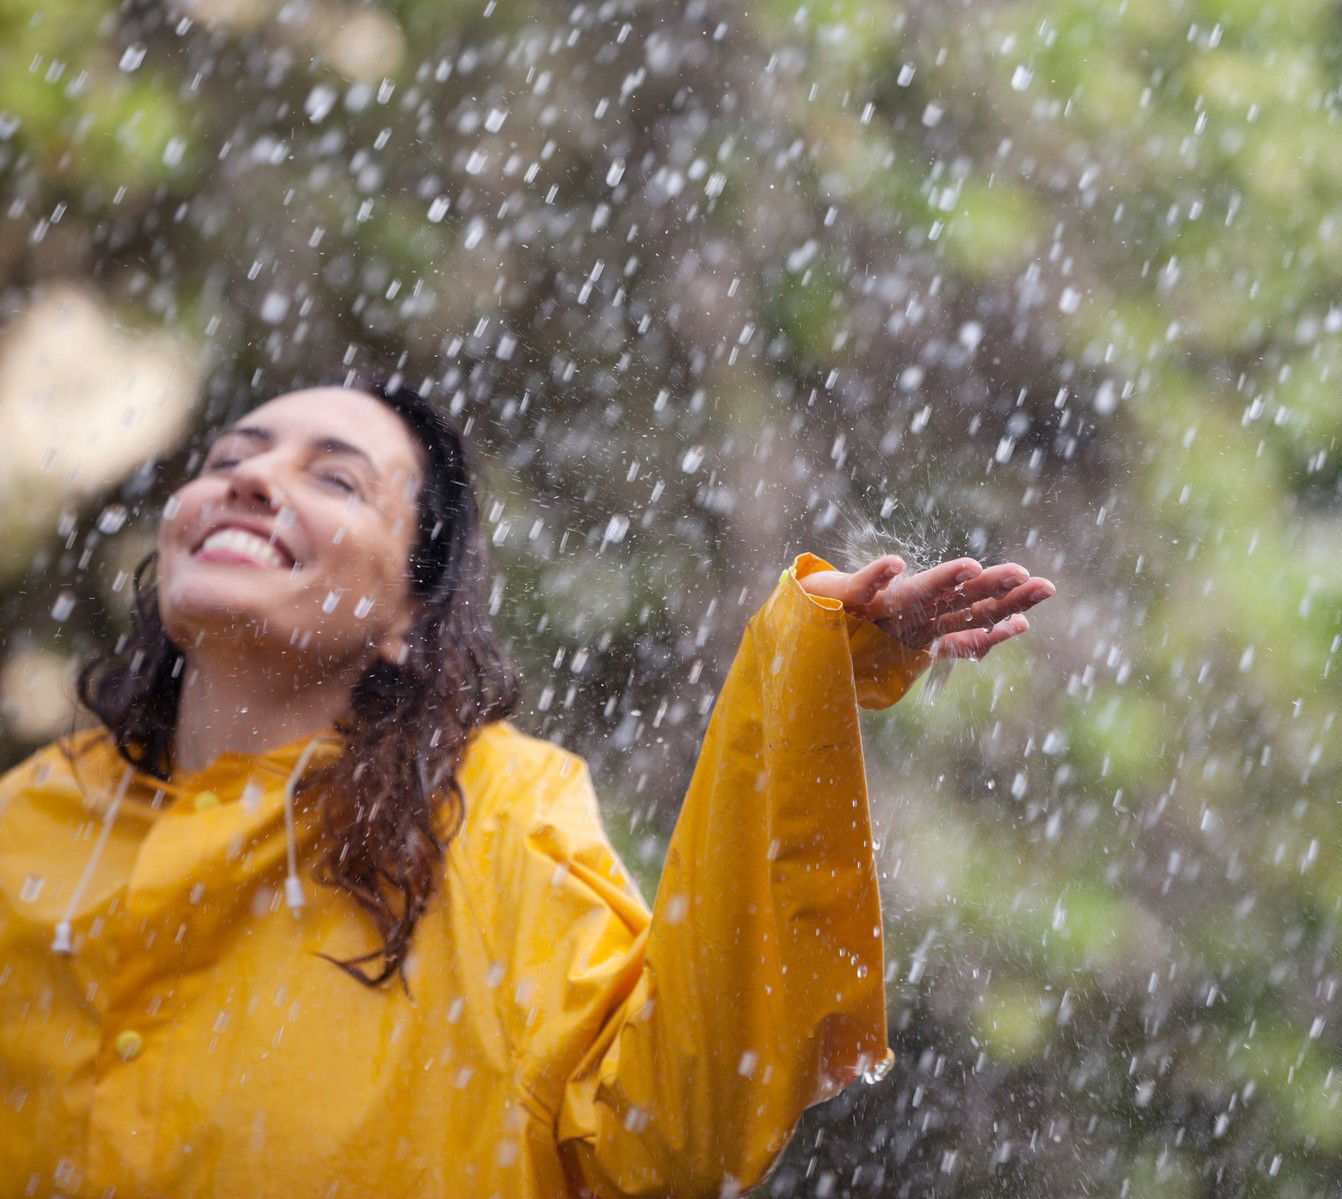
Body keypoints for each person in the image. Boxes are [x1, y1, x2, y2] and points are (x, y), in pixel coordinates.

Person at [0, 378, 1055, 1197]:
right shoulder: (30, 818)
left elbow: (675, 1127)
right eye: (229, 457)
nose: (248, 478)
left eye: (334, 478)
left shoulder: (494, 814)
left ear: (409, 618)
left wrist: (804, 666)